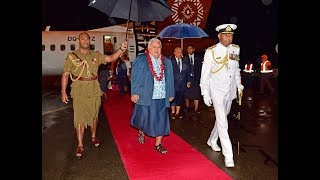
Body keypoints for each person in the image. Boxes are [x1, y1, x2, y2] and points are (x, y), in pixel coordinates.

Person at [61, 32, 128, 158]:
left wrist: (121, 49)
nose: (85, 41)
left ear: (89, 41)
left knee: (94, 116)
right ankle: (80, 145)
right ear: (78, 40)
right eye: (83, 39)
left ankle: (93, 136)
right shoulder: (71, 56)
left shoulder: (96, 55)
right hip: (79, 90)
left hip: (93, 89)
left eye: (87, 39)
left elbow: (112, 58)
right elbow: (65, 74)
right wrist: (63, 91)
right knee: (79, 118)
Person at [200, 24, 244, 167]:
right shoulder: (211, 52)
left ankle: (212, 139)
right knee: (223, 123)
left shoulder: (235, 49)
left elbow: (236, 69)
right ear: (219, 36)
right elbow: (205, 74)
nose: (228, 38)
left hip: (229, 91)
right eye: (225, 35)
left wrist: (239, 84)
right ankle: (229, 155)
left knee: (222, 118)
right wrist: (205, 92)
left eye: (230, 35)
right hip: (217, 91)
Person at [130, 38, 174, 154]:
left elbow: (170, 78)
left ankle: (158, 144)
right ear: (148, 49)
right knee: (144, 119)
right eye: (154, 47)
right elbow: (135, 77)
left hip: (162, 96)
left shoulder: (167, 61)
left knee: (162, 120)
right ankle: (141, 131)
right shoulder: (141, 59)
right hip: (146, 95)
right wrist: (135, 92)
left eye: (158, 47)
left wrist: (170, 93)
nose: (156, 49)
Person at [170, 47, 191, 119]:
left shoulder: (184, 61)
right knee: (173, 98)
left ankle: (177, 112)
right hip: (173, 84)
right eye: (178, 52)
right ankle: (173, 112)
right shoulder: (170, 61)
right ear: (174, 53)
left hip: (182, 84)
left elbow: (188, 72)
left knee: (180, 98)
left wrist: (188, 81)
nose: (179, 53)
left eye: (180, 52)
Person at [183, 44, 203, 114]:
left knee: (196, 93)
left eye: (190, 48)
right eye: (188, 49)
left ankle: (196, 108)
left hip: (196, 78)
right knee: (187, 93)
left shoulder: (198, 57)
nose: (189, 50)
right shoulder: (184, 58)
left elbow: (200, 68)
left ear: (193, 49)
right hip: (188, 78)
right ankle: (187, 106)